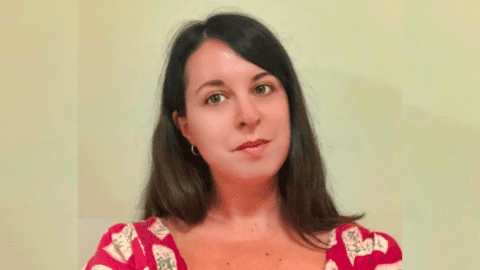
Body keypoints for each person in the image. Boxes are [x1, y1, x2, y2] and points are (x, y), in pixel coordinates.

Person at [82, 11, 402, 270]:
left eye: (262, 88)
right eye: (216, 97)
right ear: (186, 127)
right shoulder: (131, 256)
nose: (247, 115)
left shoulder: (368, 258)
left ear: (290, 104)